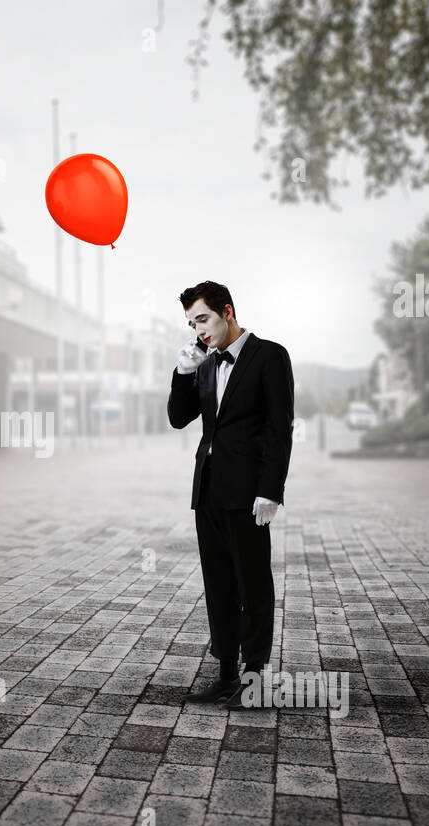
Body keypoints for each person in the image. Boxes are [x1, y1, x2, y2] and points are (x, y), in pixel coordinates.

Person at [167, 281, 294, 707]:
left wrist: (271, 489)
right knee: (218, 585)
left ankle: (253, 681)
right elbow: (178, 418)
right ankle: (225, 676)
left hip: (248, 493)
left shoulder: (269, 356)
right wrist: (183, 373)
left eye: (203, 319)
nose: (198, 329)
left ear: (227, 311)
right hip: (208, 490)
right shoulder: (204, 365)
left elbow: (279, 429)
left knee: (252, 585)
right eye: (191, 323)